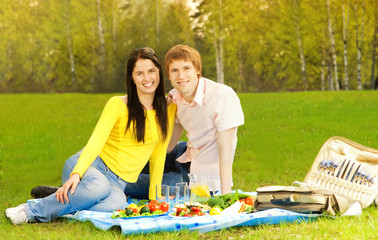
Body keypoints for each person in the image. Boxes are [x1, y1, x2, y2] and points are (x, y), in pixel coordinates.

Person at [5, 47, 176, 224]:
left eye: (151, 71)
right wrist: (76, 174)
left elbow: (158, 154)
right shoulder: (117, 104)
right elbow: (95, 142)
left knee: (118, 203)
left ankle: (69, 198)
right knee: (98, 187)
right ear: (131, 78)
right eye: (139, 73)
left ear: (159, 73)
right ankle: (30, 211)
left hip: (117, 185)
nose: (147, 78)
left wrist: (155, 196)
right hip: (91, 166)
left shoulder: (168, 109)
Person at [124, 44, 244, 197]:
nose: (181, 76)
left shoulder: (222, 96)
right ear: (168, 75)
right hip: (184, 153)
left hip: (198, 179)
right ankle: (95, 164)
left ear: (197, 70)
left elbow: (225, 151)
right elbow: (167, 146)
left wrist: (226, 195)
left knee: (130, 183)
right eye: (175, 70)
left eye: (187, 68)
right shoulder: (176, 97)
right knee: (130, 159)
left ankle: (101, 182)